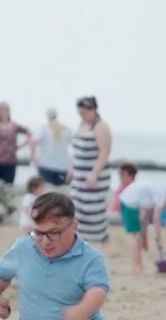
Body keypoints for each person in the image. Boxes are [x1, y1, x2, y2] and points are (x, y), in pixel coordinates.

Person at [119, 179, 166, 274]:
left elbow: (144, 218)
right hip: (129, 202)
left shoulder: (155, 196)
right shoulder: (161, 196)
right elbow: (156, 219)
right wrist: (159, 240)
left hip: (129, 200)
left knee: (137, 236)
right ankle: (136, 268)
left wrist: (145, 238)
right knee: (135, 236)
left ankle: (139, 266)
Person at [69, 96, 112, 242]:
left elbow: (104, 152)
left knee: (92, 210)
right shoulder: (81, 125)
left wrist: (94, 173)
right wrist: (70, 168)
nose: (82, 116)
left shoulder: (101, 127)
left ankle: (99, 238)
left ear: (93, 110)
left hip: (95, 175)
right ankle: (78, 238)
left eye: (84, 113)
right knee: (76, 207)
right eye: (80, 113)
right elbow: (75, 150)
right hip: (78, 174)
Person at [31, 108, 73, 187]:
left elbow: (33, 142)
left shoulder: (42, 128)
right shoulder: (67, 129)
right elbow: (73, 147)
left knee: (46, 195)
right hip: (62, 167)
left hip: (45, 166)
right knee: (60, 196)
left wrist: (33, 157)